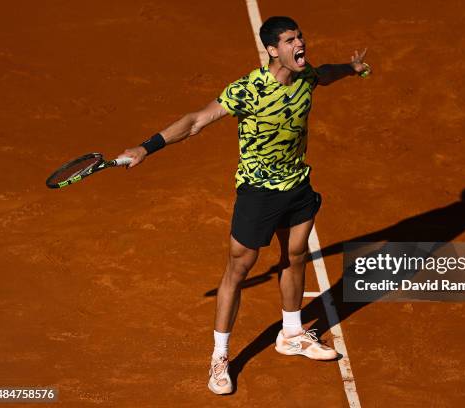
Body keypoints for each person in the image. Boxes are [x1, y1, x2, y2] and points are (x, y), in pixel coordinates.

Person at [119, 16, 371, 395]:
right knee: (239, 268)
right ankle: (220, 356)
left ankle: (290, 334)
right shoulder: (248, 89)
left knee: (296, 254)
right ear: (272, 51)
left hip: (297, 184)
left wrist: (352, 69)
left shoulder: (306, 78)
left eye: (299, 37)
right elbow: (194, 121)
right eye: (289, 40)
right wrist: (145, 147)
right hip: (258, 193)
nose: (299, 43)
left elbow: (327, 73)